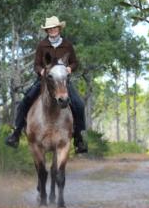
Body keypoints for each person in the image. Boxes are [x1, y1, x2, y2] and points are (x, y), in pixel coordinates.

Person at [5, 16, 88, 153]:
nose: (52, 30)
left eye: (54, 28)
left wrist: (70, 68)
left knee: (79, 104)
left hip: (62, 80)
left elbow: (74, 62)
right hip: (45, 80)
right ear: (47, 31)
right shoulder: (42, 45)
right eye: (50, 29)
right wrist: (42, 71)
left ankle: (78, 138)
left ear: (59, 29)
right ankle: (16, 133)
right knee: (25, 101)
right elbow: (36, 64)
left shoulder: (67, 45)